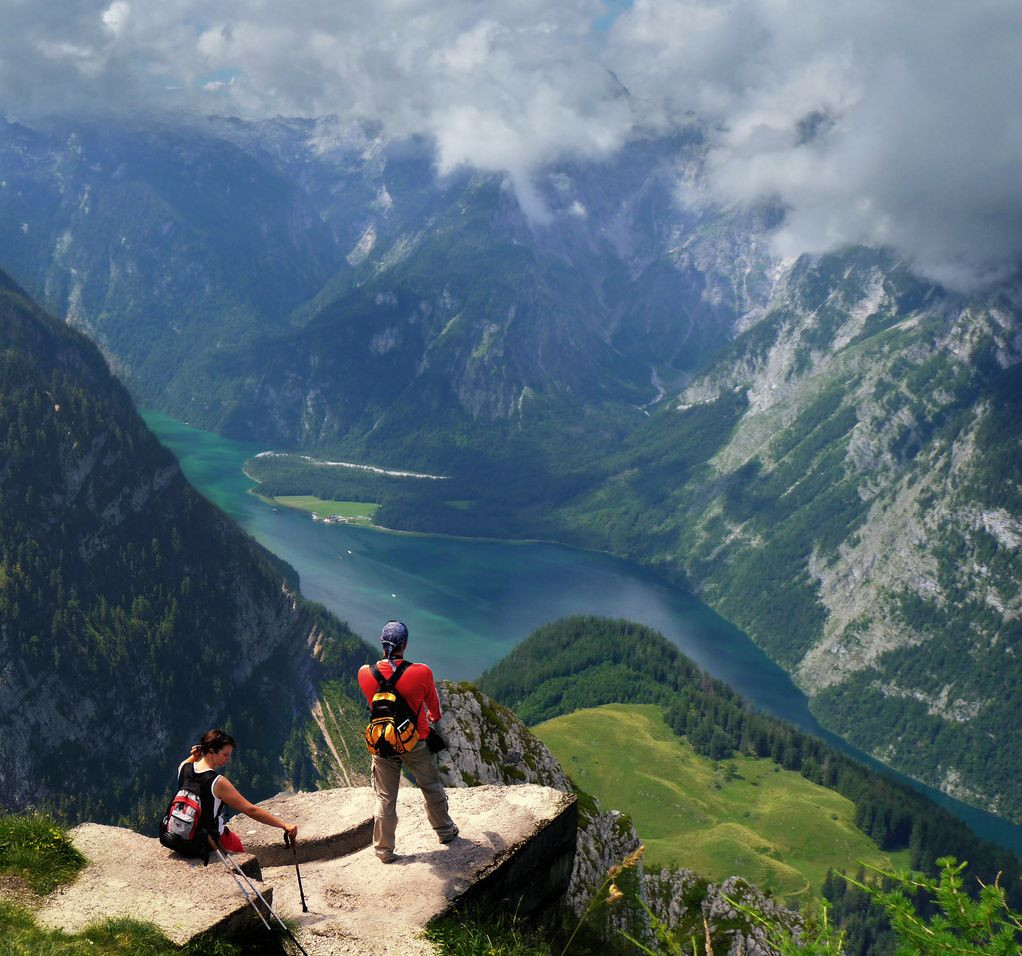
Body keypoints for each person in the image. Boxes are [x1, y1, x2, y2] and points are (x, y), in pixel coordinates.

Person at [357, 620, 458, 863]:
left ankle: (383, 850)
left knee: (385, 797)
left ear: (382, 644)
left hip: (383, 743)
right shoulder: (421, 672)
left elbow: (374, 704)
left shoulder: (365, 673)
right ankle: (445, 832)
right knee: (430, 786)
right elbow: (435, 710)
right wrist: (431, 719)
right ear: (405, 645)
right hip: (415, 742)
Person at [170, 728, 298, 854]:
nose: (228, 759)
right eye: (225, 754)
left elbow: (192, 759)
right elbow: (250, 810)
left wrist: (198, 753)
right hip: (208, 841)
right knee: (237, 847)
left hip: (181, 833)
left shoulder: (183, 767)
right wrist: (284, 825)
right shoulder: (217, 782)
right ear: (211, 751)